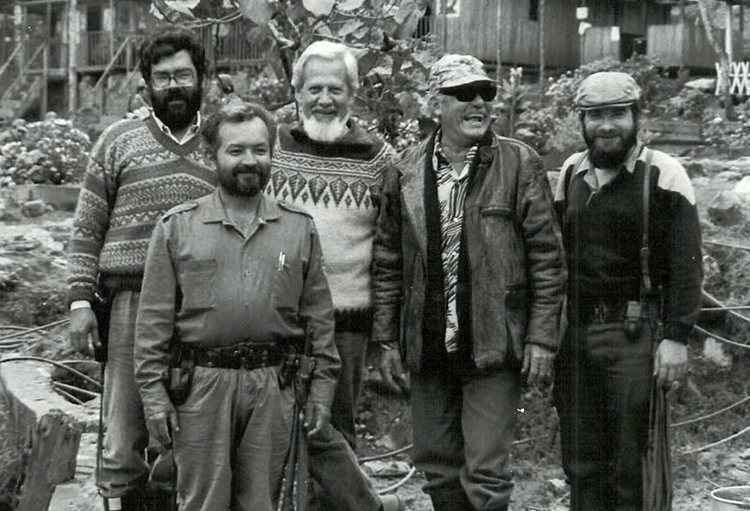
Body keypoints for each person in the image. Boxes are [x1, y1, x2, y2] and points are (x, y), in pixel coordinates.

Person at [373, 54, 567, 511]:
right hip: (428, 344)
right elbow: (387, 262)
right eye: (464, 94)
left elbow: (548, 258)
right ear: (435, 104)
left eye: (486, 94)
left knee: (486, 473)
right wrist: (385, 341)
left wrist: (541, 338)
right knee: (437, 466)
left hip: (493, 343)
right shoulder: (403, 171)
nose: (478, 102)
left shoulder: (520, 163)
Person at [133, 102, 340, 511]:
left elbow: (319, 319)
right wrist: (154, 397)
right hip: (200, 386)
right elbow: (152, 322)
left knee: (265, 502)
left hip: (274, 386)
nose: (250, 161)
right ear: (213, 156)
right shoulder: (177, 227)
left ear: (271, 154)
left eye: (259, 150)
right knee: (203, 502)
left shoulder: (298, 228)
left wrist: (322, 391)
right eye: (236, 150)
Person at [67, 27, 215, 511]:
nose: (174, 86)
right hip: (129, 300)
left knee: (191, 425)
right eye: (163, 76)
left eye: (184, 75)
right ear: (147, 84)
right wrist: (80, 300)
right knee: (125, 427)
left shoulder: (223, 142)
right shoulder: (117, 140)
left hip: (202, 306)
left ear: (202, 80)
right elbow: (88, 226)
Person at [552, 71, 703, 510]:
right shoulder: (570, 174)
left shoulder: (663, 173)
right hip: (577, 336)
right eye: (595, 115)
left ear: (636, 116)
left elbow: (686, 263)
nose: (606, 126)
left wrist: (676, 337)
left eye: (617, 114)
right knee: (580, 459)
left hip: (635, 334)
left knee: (630, 461)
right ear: (581, 121)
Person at [267, 41, 401, 511]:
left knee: (334, 431)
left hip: (347, 320)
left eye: (336, 89)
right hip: (277, 318)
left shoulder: (380, 159)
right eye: (315, 88)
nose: (325, 98)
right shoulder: (272, 149)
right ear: (296, 91)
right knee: (276, 433)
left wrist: (385, 332)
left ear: (353, 93)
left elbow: (390, 250)